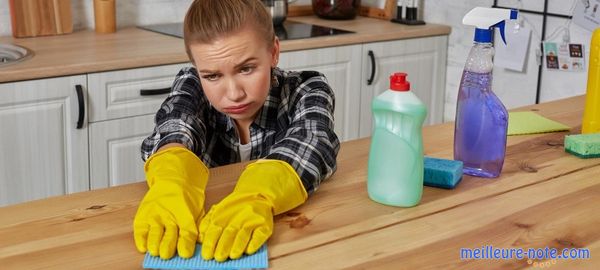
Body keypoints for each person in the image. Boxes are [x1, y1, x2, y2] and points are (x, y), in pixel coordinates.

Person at [132, 0, 340, 262]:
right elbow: (176, 123)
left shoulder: (308, 87)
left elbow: (314, 140)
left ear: (274, 52)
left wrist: (257, 195)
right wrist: (172, 181)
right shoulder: (192, 82)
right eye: (212, 76)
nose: (234, 94)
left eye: (246, 68)